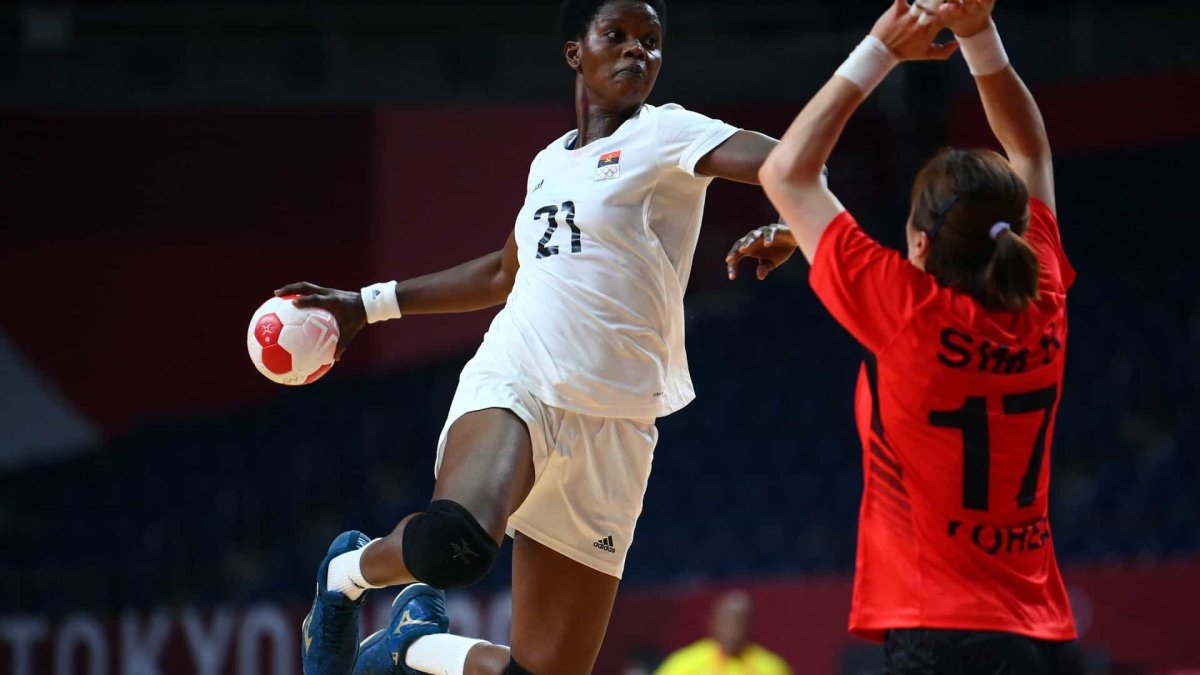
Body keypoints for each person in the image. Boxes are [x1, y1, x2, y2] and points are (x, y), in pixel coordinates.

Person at [280, 1, 782, 673]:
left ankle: (412, 646)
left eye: (653, 42)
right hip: (523, 377)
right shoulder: (549, 162)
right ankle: (344, 573)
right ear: (577, 51)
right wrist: (365, 306)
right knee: (454, 541)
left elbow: (786, 160)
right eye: (619, 36)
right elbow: (500, 271)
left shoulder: (668, 132)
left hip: (618, 426)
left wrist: (796, 219)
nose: (639, 51)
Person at [727, 1, 1083, 673]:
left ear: (919, 243)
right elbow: (1030, 149)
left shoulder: (905, 311)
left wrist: (881, 47)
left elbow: (785, 172)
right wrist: (979, 33)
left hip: (939, 635)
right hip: (1042, 634)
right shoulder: (1044, 297)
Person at [654, 591, 792, 675]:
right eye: (727, 622)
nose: (734, 630)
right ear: (713, 623)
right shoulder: (685, 665)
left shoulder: (771, 668)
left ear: (751, 625)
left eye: (740, 622)